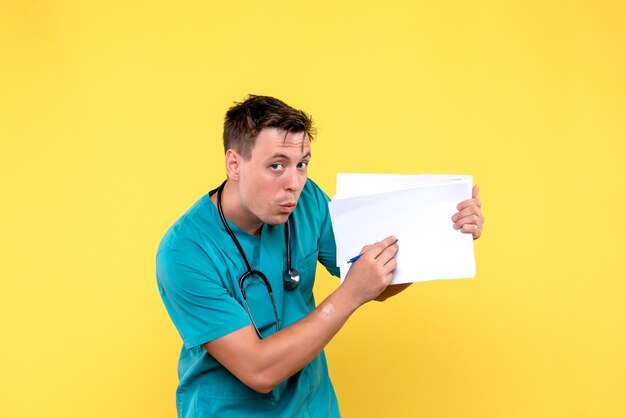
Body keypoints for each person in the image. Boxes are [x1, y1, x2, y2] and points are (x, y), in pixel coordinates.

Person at [156, 95, 484, 417]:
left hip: (313, 408)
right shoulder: (184, 253)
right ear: (234, 164)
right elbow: (259, 372)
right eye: (276, 166)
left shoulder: (308, 201)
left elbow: (373, 280)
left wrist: (443, 233)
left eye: (302, 164)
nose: (294, 183)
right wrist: (350, 294)